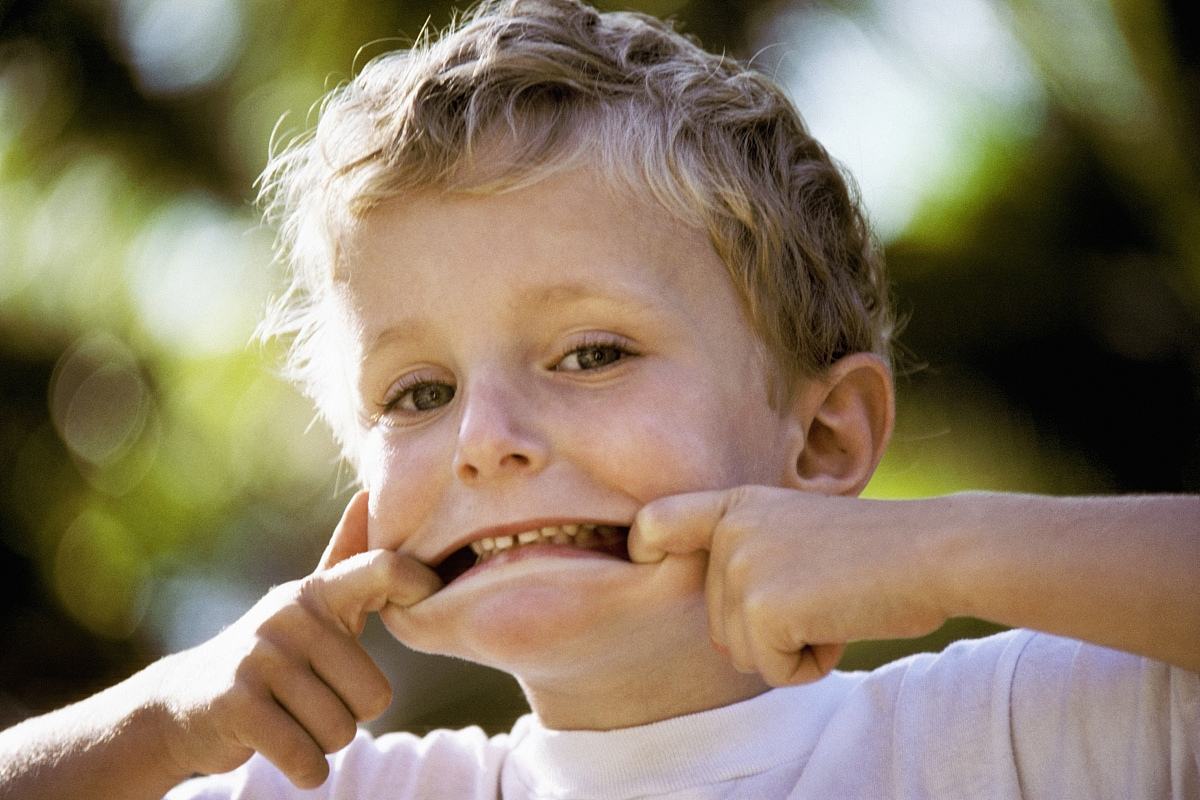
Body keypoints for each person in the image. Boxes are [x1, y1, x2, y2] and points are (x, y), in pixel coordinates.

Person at [1, 0, 1197, 797]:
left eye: (590, 355)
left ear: (827, 440)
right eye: (417, 389)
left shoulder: (1010, 735)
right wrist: (167, 718)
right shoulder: (352, 785)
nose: (487, 442)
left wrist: (945, 549)